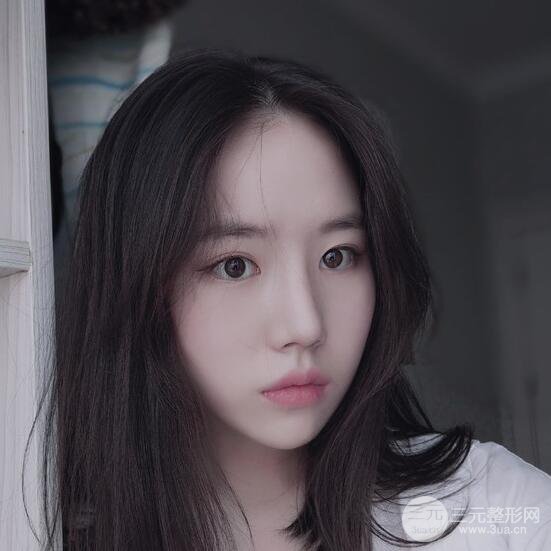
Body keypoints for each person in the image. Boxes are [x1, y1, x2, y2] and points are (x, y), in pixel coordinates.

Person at [34, 48, 551, 550]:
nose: (305, 325)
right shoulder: (41, 532)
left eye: (337, 256)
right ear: (140, 284)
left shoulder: (494, 511)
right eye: (234, 265)